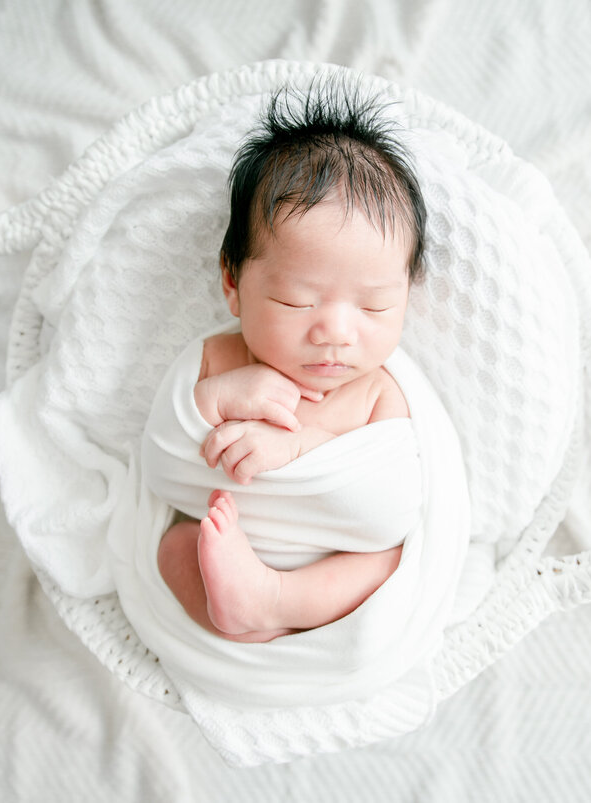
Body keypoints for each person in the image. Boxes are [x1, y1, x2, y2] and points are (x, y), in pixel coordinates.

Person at [154, 81, 430, 644]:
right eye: (296, 301)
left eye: (375, 305)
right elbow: (161, 460)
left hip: (329, 564)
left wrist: (299, 446)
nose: (335, 331)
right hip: (228, 545)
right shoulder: (218, 357)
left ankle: (275, 603)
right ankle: (239, 620)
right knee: (172, 549)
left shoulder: (378, 391)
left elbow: (391, 507)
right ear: (233, 283)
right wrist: (217, 399)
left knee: (384, 561)